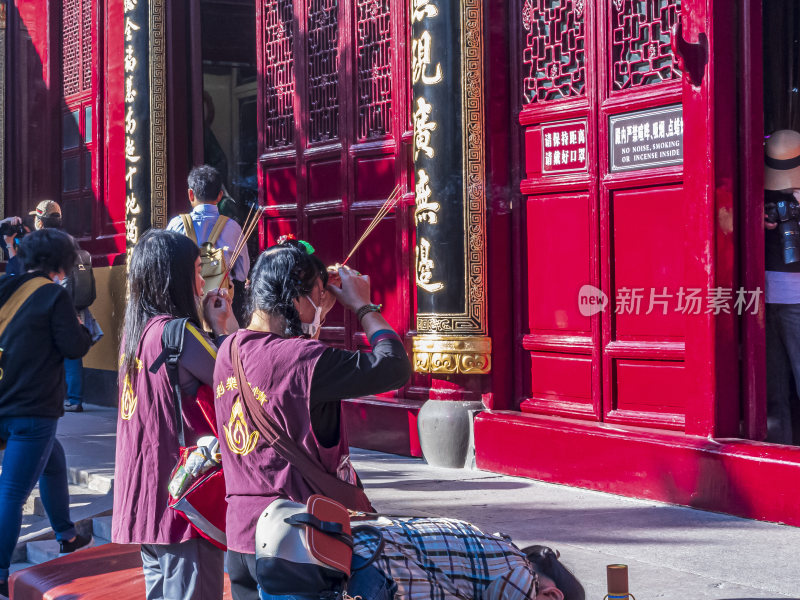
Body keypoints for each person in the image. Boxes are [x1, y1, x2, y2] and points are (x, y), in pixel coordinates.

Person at [213, 238, 412, 600]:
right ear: (293, 298)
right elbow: (394, 365)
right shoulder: (303, 360)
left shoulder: (228, 349)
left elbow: (290, 375)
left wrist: (315, 309)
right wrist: (364, 305)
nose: (321, 306)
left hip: (242, 539)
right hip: (297, 542)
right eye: (317, 297)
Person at [111, 229, 234, 600]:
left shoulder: (136, 335)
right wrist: (223, 329)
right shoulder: (178, 333)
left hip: (146, 497)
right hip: (185, 500)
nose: (202, 280)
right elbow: (238, 382)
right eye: (197, 269)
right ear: (174, 276)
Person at [0, 229, 94, 598]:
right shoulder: (53, 295)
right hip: (32, 409)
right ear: (62, 262)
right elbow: (73, 347)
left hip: (4, 400)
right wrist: (85, 330)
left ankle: (66, 534)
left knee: (53, 460)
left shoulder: (6, 286)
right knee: (11, 492)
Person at [1, 200, 97, 413]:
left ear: (40, 221)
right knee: (71, 359)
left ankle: (71, 397)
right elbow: (77, 346)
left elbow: (16, 271)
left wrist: (10, 244)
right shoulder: (67, 242)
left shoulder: (34, 246)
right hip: (70, 305)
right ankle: (74, 397)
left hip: (27, 403)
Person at [346, 518, 585, 600]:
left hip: (358, 552)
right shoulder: (522, 581)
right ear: (553, 595)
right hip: (375, 567)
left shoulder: (498, 550)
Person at [167, 165, 251, 325]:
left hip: (186, 312)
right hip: (222, 309)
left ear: (190, 194)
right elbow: (242, 273)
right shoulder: (233, 227)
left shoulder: (176, 226)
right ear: (220, 196)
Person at [763, 130, 800, 444]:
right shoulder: (762, 197)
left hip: (796, 300)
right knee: (771, 384)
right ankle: (781, 451)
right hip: (759, 300)